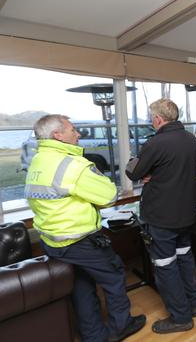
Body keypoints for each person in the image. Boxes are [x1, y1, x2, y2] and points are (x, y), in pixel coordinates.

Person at [25, 114, 145, 342]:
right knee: (114, 275)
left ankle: (93, 335)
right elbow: (109, 195)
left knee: (81, 284)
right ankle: (122, 326)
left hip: (52, 241)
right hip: (79, 240)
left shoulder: (38, 162)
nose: (78, 134)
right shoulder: (73, 165)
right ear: (57, 135)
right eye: (73, 130)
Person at [125, 99, 196, 334]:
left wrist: (144, 171)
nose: (150, 121)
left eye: (151, 117)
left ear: (158, 119)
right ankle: (193, 304)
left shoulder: (155, 143)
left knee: (166, 266)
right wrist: (154, 172)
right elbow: (175, 168)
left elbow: (134, 171)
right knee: (185, 258)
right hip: (186, 214)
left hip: (162, 218)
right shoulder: (191, 139)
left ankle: (181, 317)